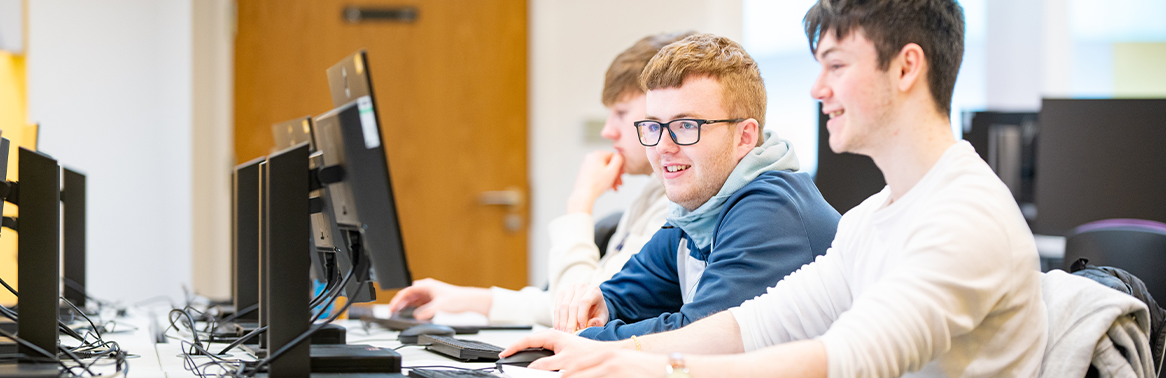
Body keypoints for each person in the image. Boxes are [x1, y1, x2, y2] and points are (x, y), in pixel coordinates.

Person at [500, 1, 1045, 377]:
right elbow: (755, 324)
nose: (817, 88)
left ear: (906, 67)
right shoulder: (874, 216)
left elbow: (847, 359)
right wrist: (612, 353)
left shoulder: (965, 216)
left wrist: (635, 362)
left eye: (835, 65)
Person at [387, 31, 691, 326]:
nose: (608, 131)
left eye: (621, 113)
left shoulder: (675, 205)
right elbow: (566, 302)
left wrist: (581, 201)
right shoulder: (652, 194)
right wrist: (467, 299)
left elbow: (581, 311)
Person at [551, 33, 840, 341]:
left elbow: (697, 338)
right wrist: (600, 306)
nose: (663, 146)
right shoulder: (698, 209)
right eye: (653, 126)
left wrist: (577, 341)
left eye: (686, 126)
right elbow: (623, 298)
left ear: (745, 137)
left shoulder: (772, 209)